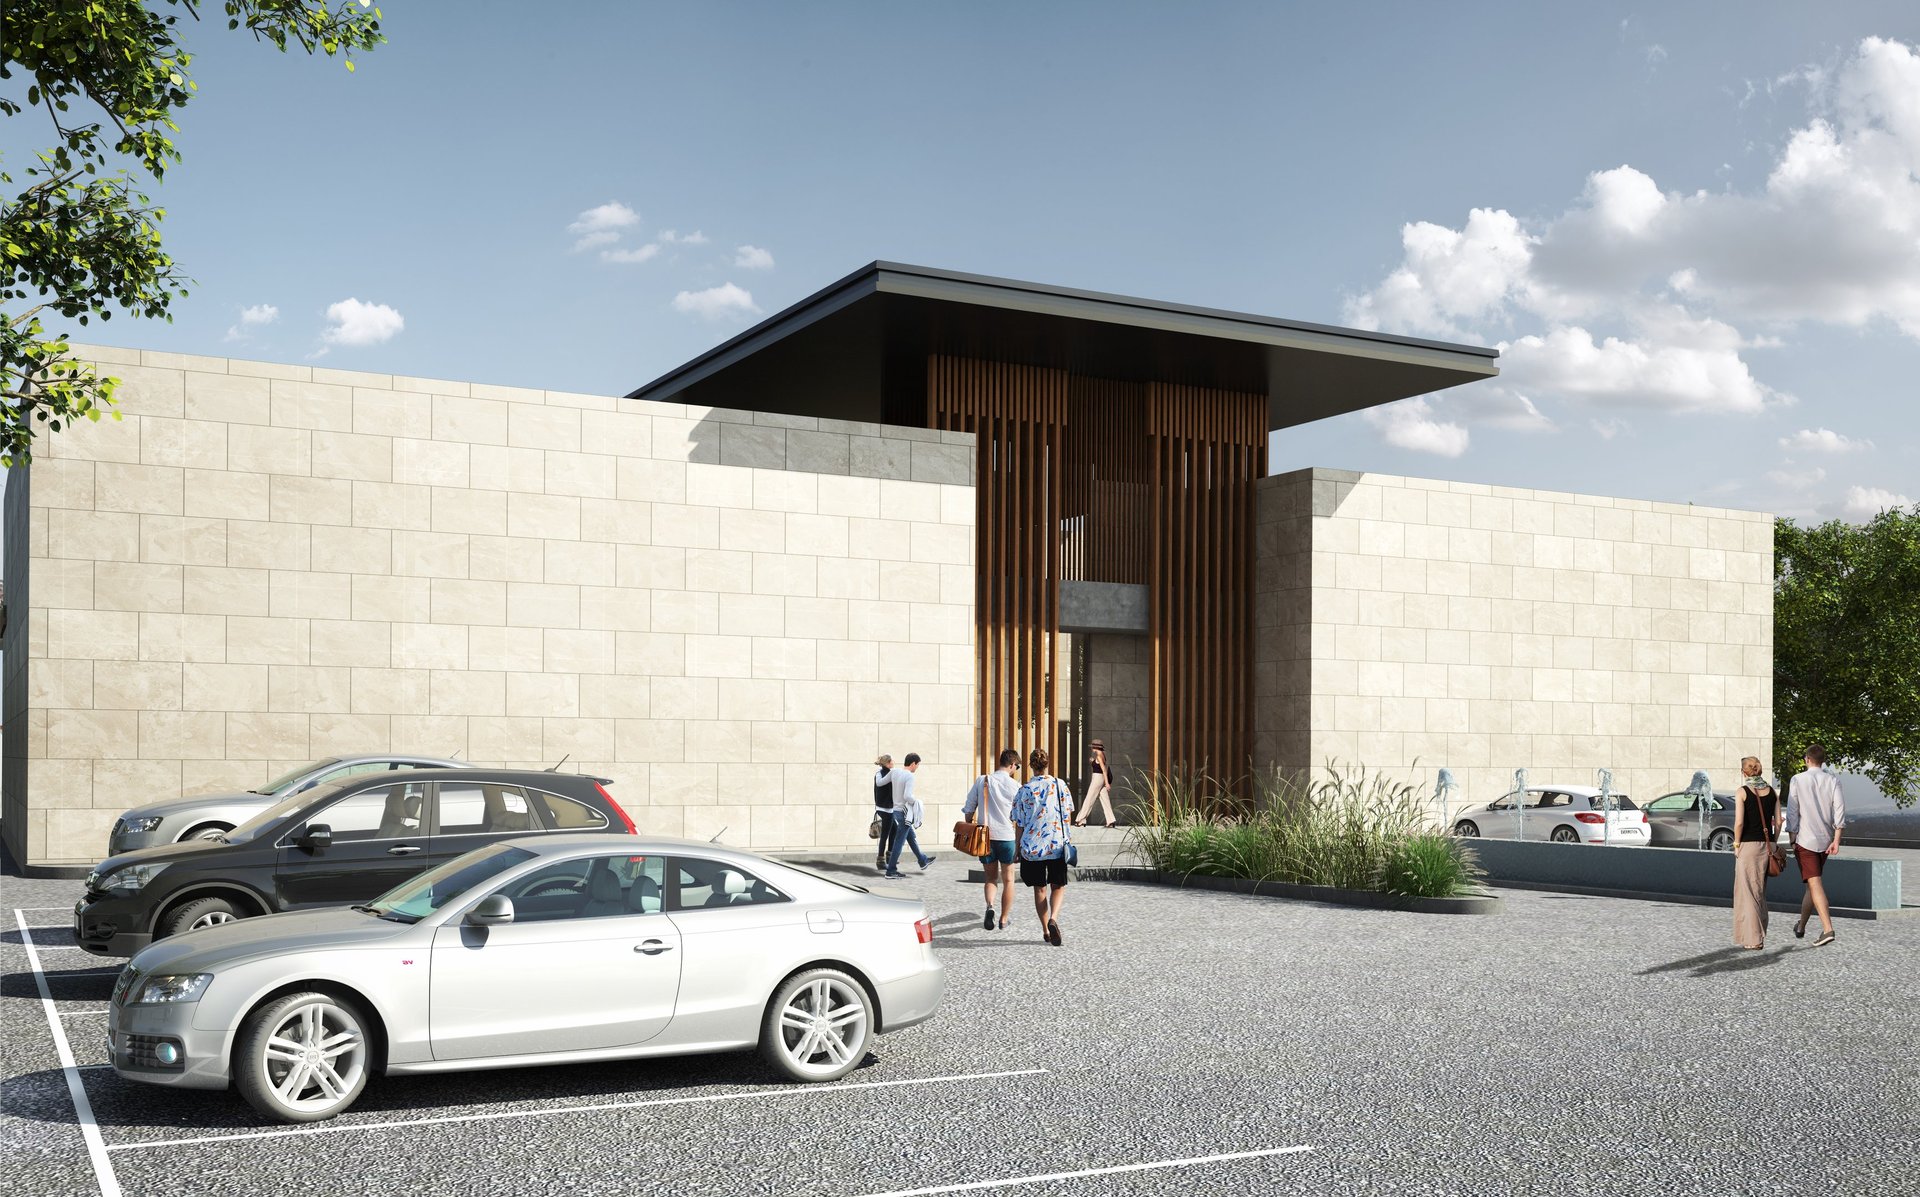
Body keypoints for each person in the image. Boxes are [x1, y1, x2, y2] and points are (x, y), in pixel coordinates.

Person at [1011, 747, 1075, 946]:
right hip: (1056, 844)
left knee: (1039, 889)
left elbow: (1019, 823)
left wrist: (1016, 849)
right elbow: (1068, 813)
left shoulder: (1024, 790)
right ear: (1047, 764)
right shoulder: (1060, 785)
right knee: (1058, 885)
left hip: (1032, 848)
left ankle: (1046, 931)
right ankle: (1053, 918)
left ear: (1031, 766)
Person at [1785, 743, 1846, 947]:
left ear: (1807, 759)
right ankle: (1801, 926)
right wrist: (1836, 839)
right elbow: (1839, 810)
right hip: (1826, 839)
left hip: (1805, 840)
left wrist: (1792, 837)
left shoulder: (1797, 779)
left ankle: (1828, 929)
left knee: (1815, 883)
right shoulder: (1833, 780)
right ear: (1823, 761)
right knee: (1811, 885)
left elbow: (1793, 810)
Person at [962, 749, 1024, 931]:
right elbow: (1020, 815)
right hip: (1006, 837)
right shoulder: (1016, 786)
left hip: (985, 837)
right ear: (1012, 764)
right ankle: (1003, 919)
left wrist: (970, 823)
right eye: (1017, 767)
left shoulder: (983, 780)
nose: (1016, 770)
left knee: (990, 878)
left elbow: (969, 808)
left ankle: (990, 906)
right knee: (1009, 880)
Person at [1730, 756, 1779, 950]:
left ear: (1744, 772)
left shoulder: (1742, 791)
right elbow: (1778, 822)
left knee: (1747, 892)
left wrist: (1736, 844)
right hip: (1767, 846)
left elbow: (1739, 823)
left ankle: (1754, 939)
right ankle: (1758, 934)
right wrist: (1773, 843)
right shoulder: (1772, 792)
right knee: (1759, 891)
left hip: (1748, 847)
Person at [884, 752, 933, 878]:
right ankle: (891, 871)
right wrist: (916, 802)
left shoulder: (895, 772)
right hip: (904, 813)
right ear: (913, 763)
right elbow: (907, 796)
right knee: (899, 842)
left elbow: (880, 783)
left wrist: (879, 770)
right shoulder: (910, 776)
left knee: (911, 837)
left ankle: (922, 860)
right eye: (917, 765)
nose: (917, 767)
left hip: (896, 811)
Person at [1073, 739, 1118, 828]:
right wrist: (1093, 761)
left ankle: (1080, 819)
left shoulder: (1099, 756)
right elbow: (1100, 767)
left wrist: (1107, 783)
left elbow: (1104, 770)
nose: (1092, 748)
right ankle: (1111, 820)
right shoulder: (1102, 755)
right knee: (1105, 799)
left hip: (1097, 779)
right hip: (1101, 779)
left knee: (1089, 798)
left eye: (1093, 747)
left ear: (1096, 747)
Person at [872, 754, 897, 872]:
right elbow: (881, 784)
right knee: (885, 835)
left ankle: (889, 856)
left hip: (883, 807)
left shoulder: (881, 773)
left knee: (894, 829)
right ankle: (881, 861)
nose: (893, 762)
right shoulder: (886, 774)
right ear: (887, 763)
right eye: (892, 760)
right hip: (886, 808)